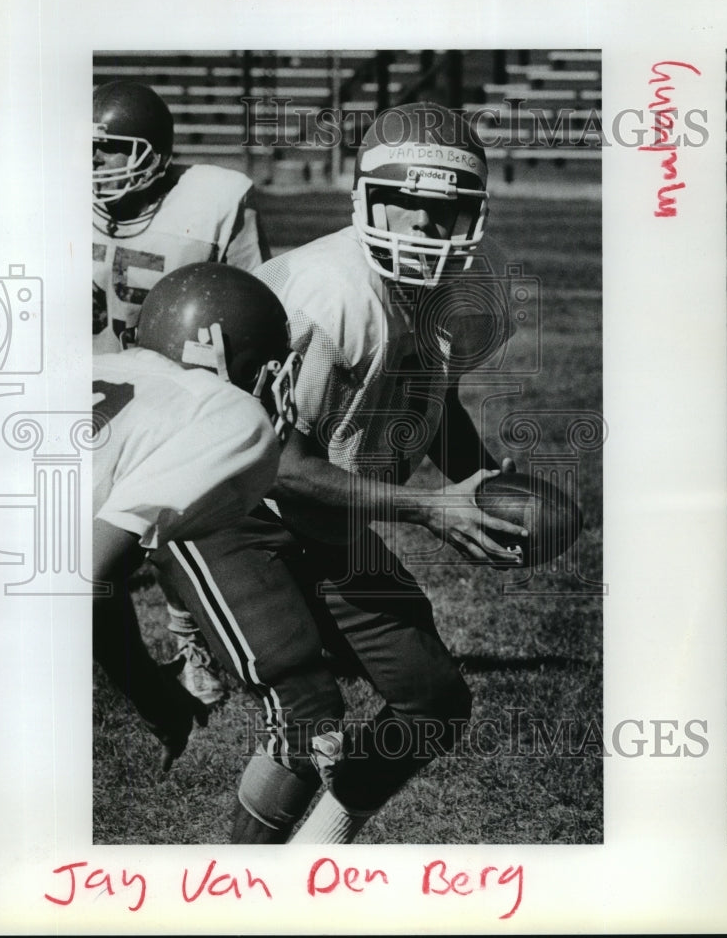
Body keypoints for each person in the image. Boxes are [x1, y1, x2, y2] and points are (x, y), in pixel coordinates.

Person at [149, 101, 528, 844]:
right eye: (404, 206)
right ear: (364, 200)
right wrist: (431, 509)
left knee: (431, 701)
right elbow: (281, 465)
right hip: (230, 509)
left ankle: (317, 852)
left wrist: (479, 483)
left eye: (445, 210)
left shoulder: (475, 283)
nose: (423, 227)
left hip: (324, 515)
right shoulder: (329, 292)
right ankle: (242, 891)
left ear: (474, 213)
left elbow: (430, 396)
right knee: (307, 718)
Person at [92, 79, 272, 704]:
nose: (93, 164)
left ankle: (193, 638)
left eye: (110, 150)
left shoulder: (212, 201)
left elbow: (250, 297)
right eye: (88, 151)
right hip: (91, 384)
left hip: (175, 390)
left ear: (154, 153)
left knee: (173, 518)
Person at [92, 262, 302, 773]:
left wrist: (152, 698)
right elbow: (81, 579)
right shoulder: (225, 413)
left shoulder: (87, 366)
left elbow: (99, 573)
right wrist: (151, 692)